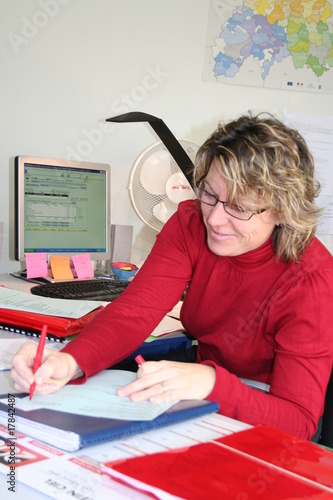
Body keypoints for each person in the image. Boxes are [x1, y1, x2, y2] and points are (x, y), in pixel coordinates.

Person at [11, 113, 333, 441]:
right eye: (209, 194)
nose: (216, 219)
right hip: (201, 392)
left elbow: (299, 420)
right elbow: (133, 314)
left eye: (239, 207)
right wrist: (70, 362)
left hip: (262, 408)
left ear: (282, 210)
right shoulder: (190, 224)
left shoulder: (312, 279)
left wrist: (211, 382)